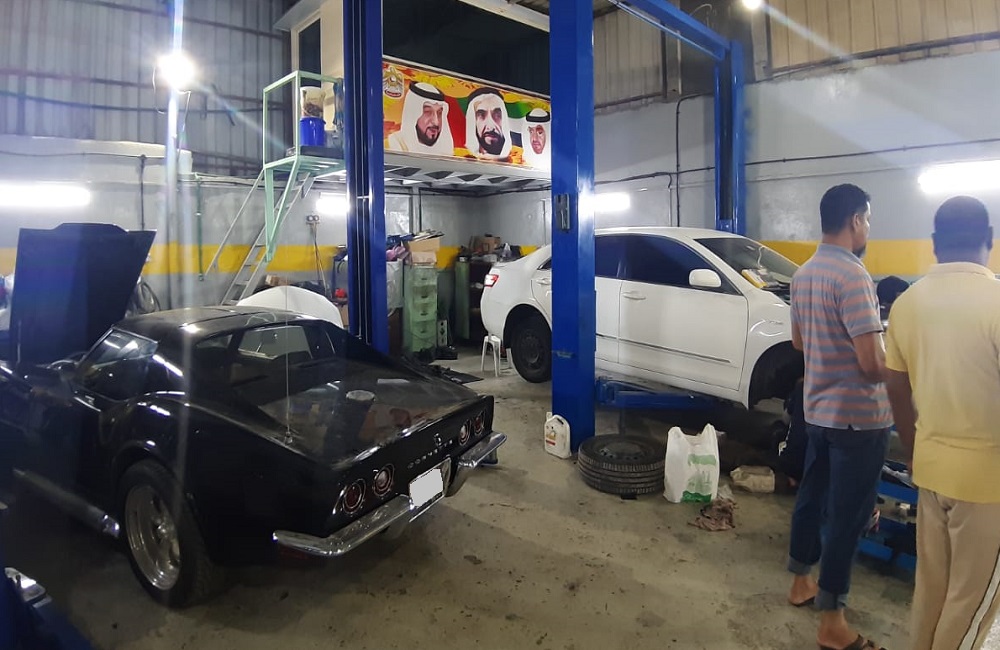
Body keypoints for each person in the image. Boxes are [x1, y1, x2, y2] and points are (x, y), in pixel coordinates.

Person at [884, 196, 1000, 650]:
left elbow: (896, 386)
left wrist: (913, 450)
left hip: (930, 472)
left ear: (934, 243)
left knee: (932, 591)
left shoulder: (907, 303)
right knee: (971, 606)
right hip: (987, 485)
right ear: (989, 240)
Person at [786, 183, 892, 650]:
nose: (867, 228)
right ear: (855, 220)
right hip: (858, 419)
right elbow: (871, 364)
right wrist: (902, 364)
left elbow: (799, 342)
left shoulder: (803, 274)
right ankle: (832, 622)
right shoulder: (853, 275)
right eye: (867, 220)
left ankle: (800, 582)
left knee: (812, 497)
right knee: (848, 517)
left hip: (818, 412)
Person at [387, 81, 454, 156]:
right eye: (427, 112)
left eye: (439, 113)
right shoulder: (397, 143)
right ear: (413, 114)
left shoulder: (445, 149)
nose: (436, 122)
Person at [464, 87, 511, 161]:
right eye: (481, 115)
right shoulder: (461, 159)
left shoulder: (518, 159)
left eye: (498, 115)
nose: (490, 127)